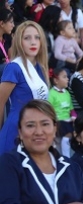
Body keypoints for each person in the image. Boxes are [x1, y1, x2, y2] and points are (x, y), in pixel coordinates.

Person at [0, 21, 49, 156]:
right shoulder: (14, 67)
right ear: (19, 42)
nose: (33, 42)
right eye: (27, 38)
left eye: (36, 37)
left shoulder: (40, 68)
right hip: (15, 132)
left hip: (36, 132)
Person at [48, 68, 76, 157]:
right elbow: (49, 109)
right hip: (58, 120)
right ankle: (66, 156)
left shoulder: (67, 93)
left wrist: (74, 116)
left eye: (67, 77)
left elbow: (71, 108)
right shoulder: (51, 94)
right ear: (56, 80)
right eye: (64, 77)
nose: (67, 79)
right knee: (67, 135)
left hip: (68, 120)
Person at [0, 9, 14, 76]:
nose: (13, 25)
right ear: (2, 23)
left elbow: (11, 58)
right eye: (11, 22)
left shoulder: (7, 37)